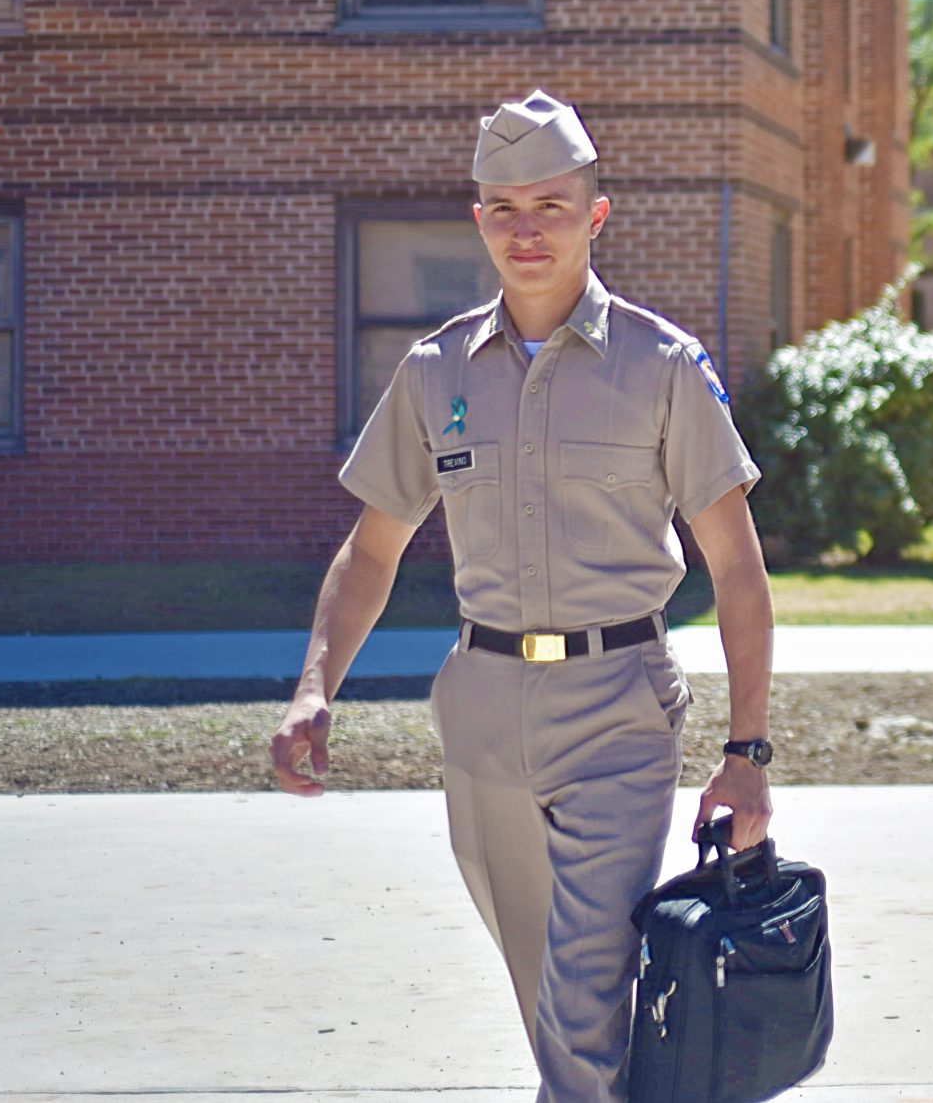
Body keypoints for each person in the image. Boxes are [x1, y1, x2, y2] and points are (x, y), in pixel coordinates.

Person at [269, 90, 778, 1103]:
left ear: (595, 213)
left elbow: (735, 567)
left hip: (618, 705)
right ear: (478, 220)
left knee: (583, 1000)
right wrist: (313, 687)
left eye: (550, 203)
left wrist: (746, 752)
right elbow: (372, 550)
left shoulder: (663, 366)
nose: (526, 227)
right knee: (556, 1002)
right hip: (483, 708)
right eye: (503, 206)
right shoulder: (434, 372)